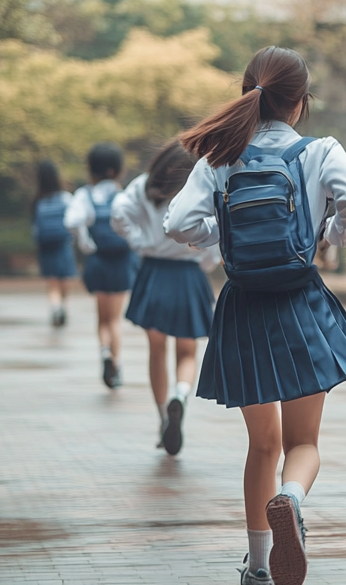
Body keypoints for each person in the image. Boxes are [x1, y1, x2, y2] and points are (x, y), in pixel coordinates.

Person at [165, 46, 346, 585]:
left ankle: (259, 567)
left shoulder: (219, 158)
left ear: (249, 95)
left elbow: (177, 223)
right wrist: (331, 237)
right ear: (299, 104)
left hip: (243, 307)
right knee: (302, 444)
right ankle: (290, 498)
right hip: (300, 305)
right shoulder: (318, 151)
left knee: (260, 445)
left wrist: (222, 236)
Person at [112, 140, 218, 457]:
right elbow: (216, 228)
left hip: (153, 274)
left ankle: (162, 419)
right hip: (188, 275)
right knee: (187, 351)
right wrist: (207, 261)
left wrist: (139, 240)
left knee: (156, 350)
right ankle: (180, 397)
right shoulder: (198, 187)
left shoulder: (145, 186)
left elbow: (118, 214)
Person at [64, 143, 139, 390]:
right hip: (120, 262)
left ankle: (105, 354)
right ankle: (115, 365)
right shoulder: (125, 194)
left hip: (97, 262)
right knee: (115, 320)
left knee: (102, 317)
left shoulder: (84, 194)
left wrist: (87, 245)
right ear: (118, 169)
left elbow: (72, 221)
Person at [31, 160, 75, 328]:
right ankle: (63, 306)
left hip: (45, 246)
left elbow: (34, 228)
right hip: (63, 244)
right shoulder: (65, 198)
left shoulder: (37, 201)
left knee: (52, 280)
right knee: (64, 279)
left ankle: (55, 306)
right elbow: (72, 223)